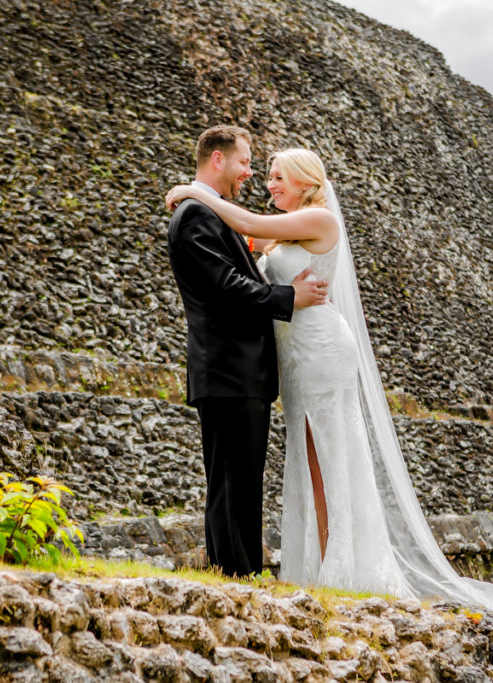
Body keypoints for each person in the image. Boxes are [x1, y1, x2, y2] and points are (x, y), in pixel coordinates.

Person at [166, 147, 493, 631]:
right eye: (264, 174)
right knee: (307, 461)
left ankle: (338, 566)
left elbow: (246, 221)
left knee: (329, 455)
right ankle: (320, 563)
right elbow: (248, 249)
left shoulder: (320, 219)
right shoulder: (291, 231)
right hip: (294, 358)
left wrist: (193, 193)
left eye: (277, 176)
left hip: (321, 353)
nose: (268, 183)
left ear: (306, 180)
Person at [166, 126, 329, 578]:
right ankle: (237, 575)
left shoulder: (208, 213)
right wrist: (287, 297)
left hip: (235, 371)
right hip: (228, 369)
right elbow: (226, 288)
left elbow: (253, 239)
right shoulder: (196, 215)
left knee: (235, 481)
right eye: (245, 162)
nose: (250, 173)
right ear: (217, 160)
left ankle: (231, 573)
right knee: (233, 482)